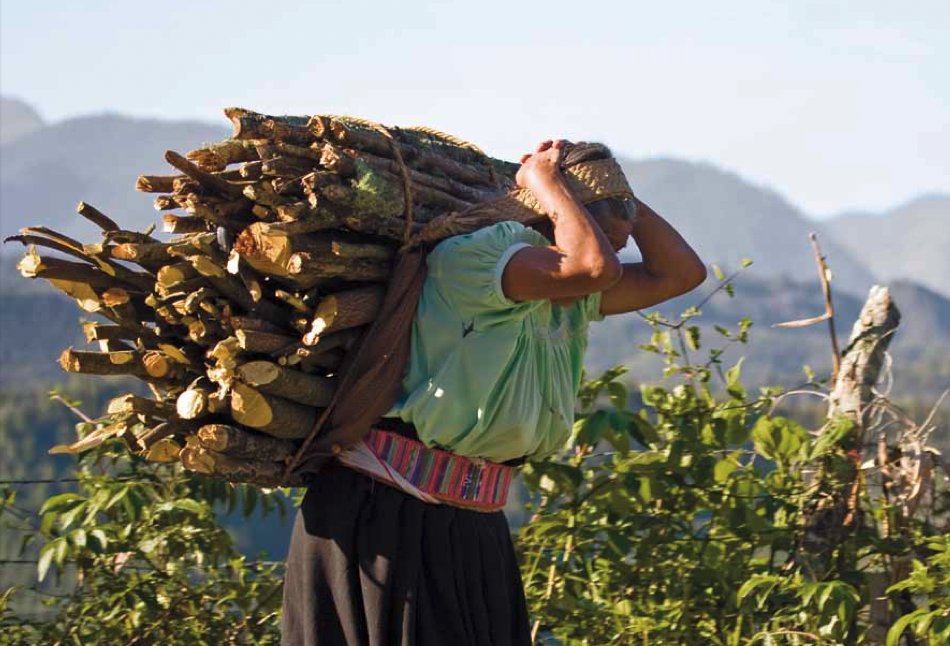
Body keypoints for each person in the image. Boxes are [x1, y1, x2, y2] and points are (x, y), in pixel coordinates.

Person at [281, 139, 707, 646]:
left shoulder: (569, 296)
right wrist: (545, 181)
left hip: (471, 523)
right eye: (606, 238)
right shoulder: (475, 258)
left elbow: (681, 273)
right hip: (385, 515)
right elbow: (594, 265)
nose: (617, 254)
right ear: (551, 217)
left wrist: (614, 190)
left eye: (619, 243)